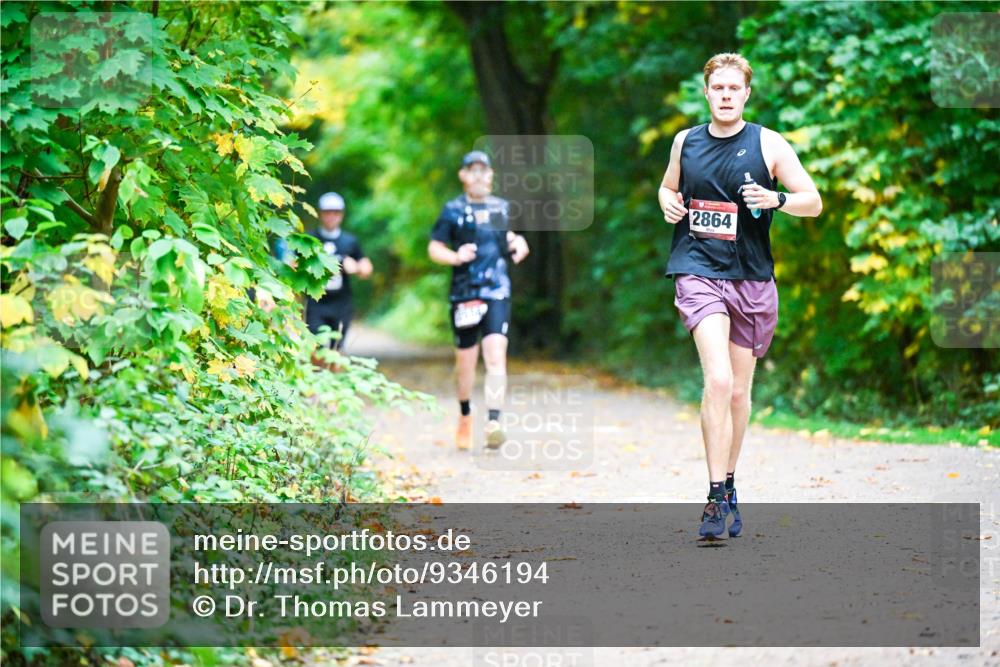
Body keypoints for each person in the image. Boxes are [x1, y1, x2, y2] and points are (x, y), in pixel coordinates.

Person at [658, 53, 822, 539]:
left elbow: (813, 201)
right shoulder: (685, 142)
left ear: (746, 94)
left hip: (750, 278)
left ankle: (729, 484)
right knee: (718, 380)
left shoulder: (768, 143)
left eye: (734, 88)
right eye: (718, 88)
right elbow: (669, 190)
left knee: (738, 391)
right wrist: (667, 201)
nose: (726, 96)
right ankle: (713, 500)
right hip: (698, 270)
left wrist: (779, 200)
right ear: (706, 92)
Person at [428, 151, 530, 451]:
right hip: (465, 293)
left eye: (484, 171)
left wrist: (518, 241)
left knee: (497, 355)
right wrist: (455, 256)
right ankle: (464, 415)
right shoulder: (452, 210)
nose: (480, 176)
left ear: (491, 175)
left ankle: (493, 422)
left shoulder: (501, 207)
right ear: (463, 175)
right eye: (473, 171)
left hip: (497, 289)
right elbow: (435, 248)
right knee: (466, 364)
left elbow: (506, 237)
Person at [304, 191, 373, 350]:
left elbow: (367, 268)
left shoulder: (350, 241)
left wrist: (354, 267)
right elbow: (293, 266)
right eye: (327, 212)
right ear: (320, 214)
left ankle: (335, 375)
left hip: (342, 304)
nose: (331, 216)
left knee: (337, 350)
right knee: (316, 349)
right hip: (316, 304)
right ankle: (317, 375)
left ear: (341, 215)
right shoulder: (309, 239)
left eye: (336, 212)